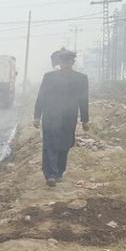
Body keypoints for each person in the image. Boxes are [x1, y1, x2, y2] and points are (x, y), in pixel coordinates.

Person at [34, 47, 90, 187]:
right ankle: (50, 175)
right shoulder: (49, 77)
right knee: (50, 145)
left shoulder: (81, 79)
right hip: (50, 117)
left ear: (72, 62)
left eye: (68, 61)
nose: (65, 64)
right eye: (63, 61)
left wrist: (85, 120)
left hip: (68, 118)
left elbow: (83, 100)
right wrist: (36, 116)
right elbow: (41, 97)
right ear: (60, 62)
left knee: (65, 145)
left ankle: (59, 172)